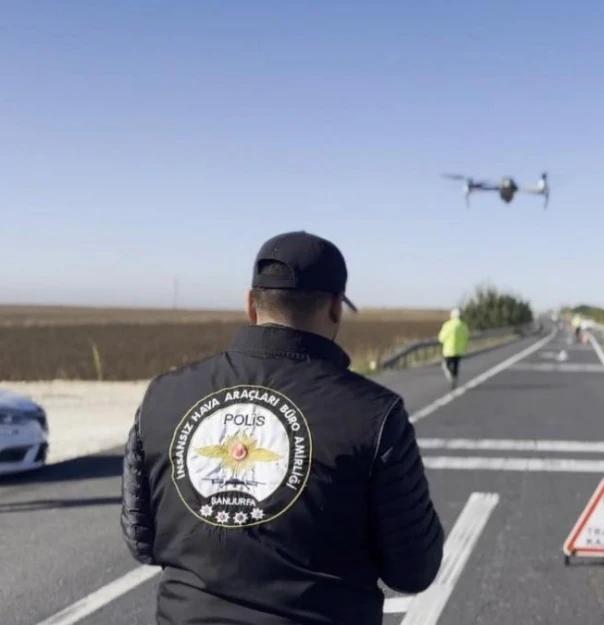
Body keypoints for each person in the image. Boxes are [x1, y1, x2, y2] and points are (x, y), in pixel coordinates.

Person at [120, 231, 444, 625]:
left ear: (251, 305)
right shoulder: (376, 414)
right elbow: (414, 569)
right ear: (336, 308)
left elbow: (141, 538)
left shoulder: (163, 396)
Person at [438, 307, 470, 389]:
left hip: (449, 350)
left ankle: (451, 377)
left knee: (446, 365)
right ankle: (454, 378)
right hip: (459, 350)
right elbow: (466, 337)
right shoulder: (463, 326)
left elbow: (441, 338)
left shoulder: (448, 325)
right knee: (456, 365)